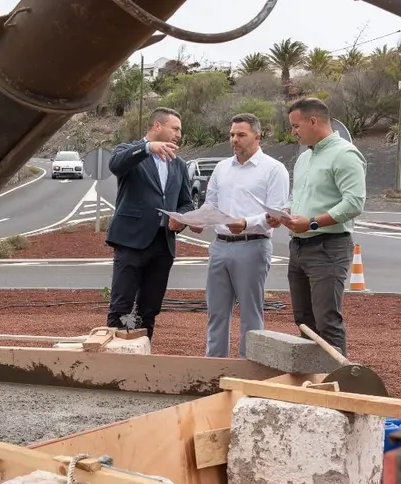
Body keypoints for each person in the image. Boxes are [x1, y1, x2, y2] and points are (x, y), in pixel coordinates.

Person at [265, 97, 366, 356]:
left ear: (313, 121)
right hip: (299, 247)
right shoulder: (304, 157)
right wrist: (285, 213)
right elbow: (297, 196)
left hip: (327, 247)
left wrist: (311, 221)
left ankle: (335, 384)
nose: (293, 132)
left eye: (296, 125)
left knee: (327, 321)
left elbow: (354, 203)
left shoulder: (345, 154)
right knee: (304, 322)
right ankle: (312, 379)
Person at [188, 113, 290, 357]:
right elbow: (210, 204)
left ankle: (247, 367)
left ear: (257, 136)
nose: (235, 139)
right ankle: (215, 366)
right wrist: (196, 220)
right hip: (220, 246)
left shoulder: (274, 170)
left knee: (250, 314)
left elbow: (276, 214)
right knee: (216, 313)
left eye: (241, 135)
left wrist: (246, 223)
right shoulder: (222, 168)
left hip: (252, 245)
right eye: (232, 134)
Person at [105, 107, 193, 338]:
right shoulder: (129, 151)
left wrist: (180, 219)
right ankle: (115, 358)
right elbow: (115, 165)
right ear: (157, 126)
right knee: (121, 307)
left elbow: (186, 203)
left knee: (149, 309)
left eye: (180, 130)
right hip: (131, 241)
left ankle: (143, 353)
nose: (178, 134)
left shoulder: (179, 164)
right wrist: (146, 148)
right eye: (175, 128)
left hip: (162, 245)